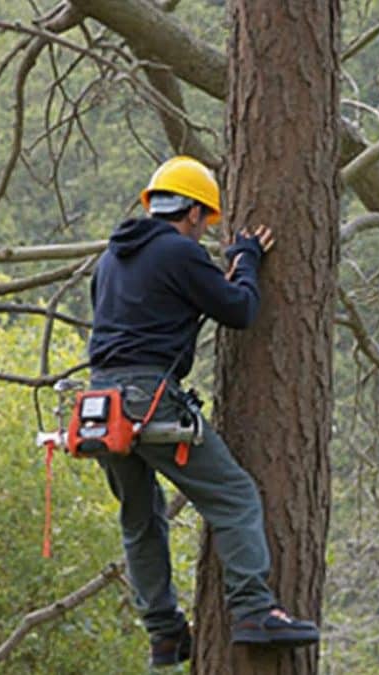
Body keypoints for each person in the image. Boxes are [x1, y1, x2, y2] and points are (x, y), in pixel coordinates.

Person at [88, 156, 320, 667]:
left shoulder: (111, 258)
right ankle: (254, 610)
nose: (203, 230)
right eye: (204, 220)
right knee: (234, 494)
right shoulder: (177, 252)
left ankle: (165, 631)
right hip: (148, 395)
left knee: (140, 517)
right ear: (192, 211)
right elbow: (239, 309)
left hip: (101, 406)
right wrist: (248, 260)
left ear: (155, 203)